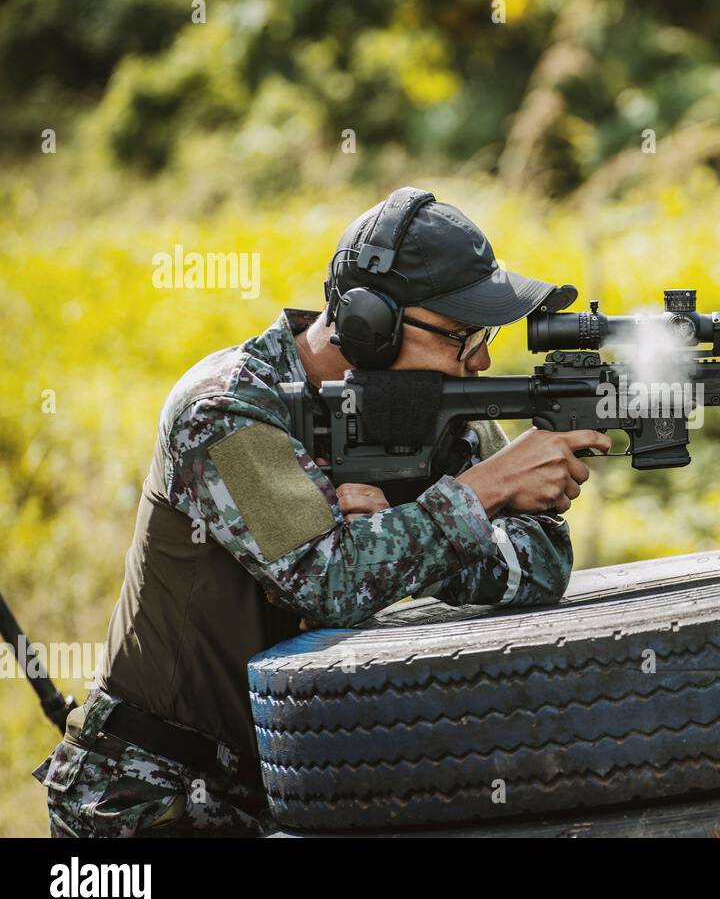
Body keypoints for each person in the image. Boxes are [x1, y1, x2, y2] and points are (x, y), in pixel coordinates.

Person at [32, 187, 611, 836]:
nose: (480, 359)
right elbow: (329, 581)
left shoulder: (432, 406)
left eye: (485, 334)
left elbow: (539, 561)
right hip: (149, 794)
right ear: (370, 326)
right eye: (459, 335)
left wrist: (390, 541)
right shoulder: (224, 410)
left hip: (304, 783)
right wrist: (476, 496)